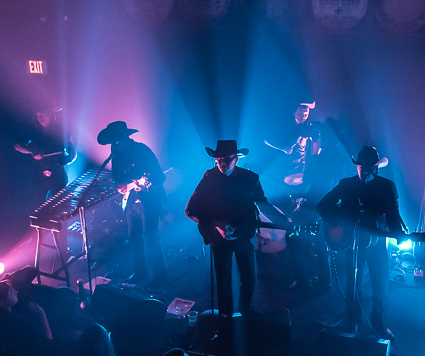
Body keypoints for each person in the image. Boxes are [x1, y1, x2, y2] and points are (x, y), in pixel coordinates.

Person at [317, 146, 403, 340]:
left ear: (377, 168)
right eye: (361, 168)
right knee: (353, 285)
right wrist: (338, 222)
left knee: (381, 287)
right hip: (352, 243)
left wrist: (399, 234)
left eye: (369, 168)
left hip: (378, 244)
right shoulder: (347, 184)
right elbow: (323, 206)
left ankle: (379, 325)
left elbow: (393, 217)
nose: (365, 172)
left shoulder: (387, 186)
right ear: (357, 167)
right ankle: (353, 321)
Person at [185, 140, 269, 319]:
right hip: (218, 237)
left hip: (244, 235)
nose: (223, 163)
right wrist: (217, 224)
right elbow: (190, 210)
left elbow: (263, 202)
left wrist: (283, 219)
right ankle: (225, 316)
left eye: (228, 159)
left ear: (236, 159)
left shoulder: (251, 178)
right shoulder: (209, 177)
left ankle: (246, 312)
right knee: (223, 279)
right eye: (219, 160)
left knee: (249, 277)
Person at [97, 121, 167, 287]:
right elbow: (117, 178)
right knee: (134, 237)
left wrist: (142, 183)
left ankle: (158, 275)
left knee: (150, 236)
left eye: (116, 142)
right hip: (131, 203)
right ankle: (140, 271)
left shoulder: (142, 151)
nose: (113, 146)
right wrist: (122, 185)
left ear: (125, 139)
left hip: (150, 201)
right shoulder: (117, 155)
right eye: (112, 143)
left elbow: (160, 177)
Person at [15, 108, 77, 200]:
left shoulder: (61, 132)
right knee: (37, 204)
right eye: (38, 116)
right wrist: (30, 151)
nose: (40, 118)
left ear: (51, 115)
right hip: (39, 176)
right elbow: (17, 146)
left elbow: (72, 153)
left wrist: (66, 160)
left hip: (57, 176)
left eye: (43, 115)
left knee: (59, 204)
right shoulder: (34, 131)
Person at [264, 100, 322, 190]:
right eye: (300, 115)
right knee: (280, 187)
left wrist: (315, 158)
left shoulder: (309, 127)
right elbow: (266, 140)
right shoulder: (284, 126)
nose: (303, 117)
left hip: (300, 164)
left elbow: (316, 142)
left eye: (305, 115)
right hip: (282, 164)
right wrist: (283, 148)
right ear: (294, 113)